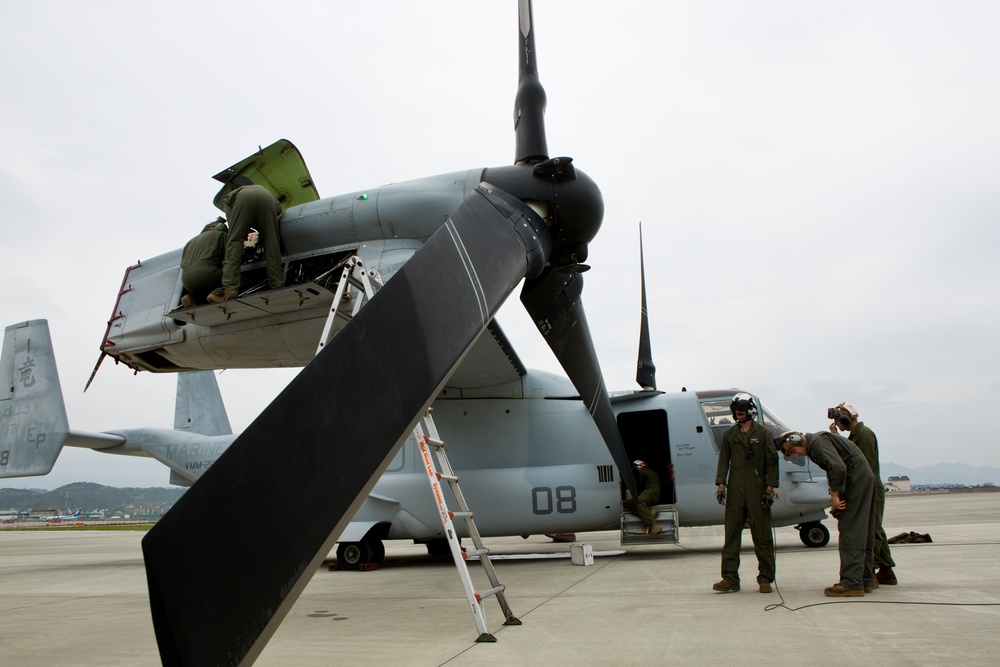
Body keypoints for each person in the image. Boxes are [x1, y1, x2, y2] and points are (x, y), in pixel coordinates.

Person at [775, 430, 876, 597]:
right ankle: (865, 579)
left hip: (855, 480)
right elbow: (834, 467)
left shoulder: (817, 443)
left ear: (798, 440)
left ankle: (851, 583)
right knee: (863, 530)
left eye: (793, 451)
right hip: (862, 478)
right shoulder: (816, 444)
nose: (796, 455)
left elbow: (837, 467)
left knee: (850, 529)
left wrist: (835, 495)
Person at [713, 393, 778, 593]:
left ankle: (765, 578)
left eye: (742, 409)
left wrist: (770, 488)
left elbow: (772, 461)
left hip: (757, 490)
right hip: (735, 490)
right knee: (731, 534)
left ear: (750, 410)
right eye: (736, 410)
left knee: (763, 535)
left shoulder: (764, 433)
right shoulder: (730, 435)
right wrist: (721, 486)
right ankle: (730, 578)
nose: (739, 413)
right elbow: (724, 461)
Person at [830, 403, 897, 586]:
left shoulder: (864, 434)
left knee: (872, 530)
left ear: (845, 418)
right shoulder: (855, 436)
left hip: (869, 488)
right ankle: (886, 570)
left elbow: (863, 465)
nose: (837, 424)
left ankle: (872, 570)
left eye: (837, 420)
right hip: (866, 488)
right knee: (874, 528)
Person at [221, 177, 284, 300]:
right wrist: (264, 224)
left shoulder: (232, 195)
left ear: (235, 187)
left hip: (244, 199)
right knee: (272, 244)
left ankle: (231, 288)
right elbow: (279, 210)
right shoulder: (265, 190)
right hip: (267, 199)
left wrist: (243, 230)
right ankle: (276, 283)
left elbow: (232, 222)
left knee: (234, 241)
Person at [179, 218, 228, 306]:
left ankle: (192, 298)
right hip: (207, 274)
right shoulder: (221, 234)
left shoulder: (190, 242)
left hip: (186, 282)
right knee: (242, 280)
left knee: (206, 292)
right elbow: (233, 256)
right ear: (214, 226)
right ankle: (218, 294)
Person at [623, 460, 661, 534]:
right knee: (627, 504)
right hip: (653, 493)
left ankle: (654, 525)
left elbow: (639, 486)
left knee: (639, 501)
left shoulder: (643, 472)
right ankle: (649, 512)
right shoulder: (648, 471)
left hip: (651, 492)